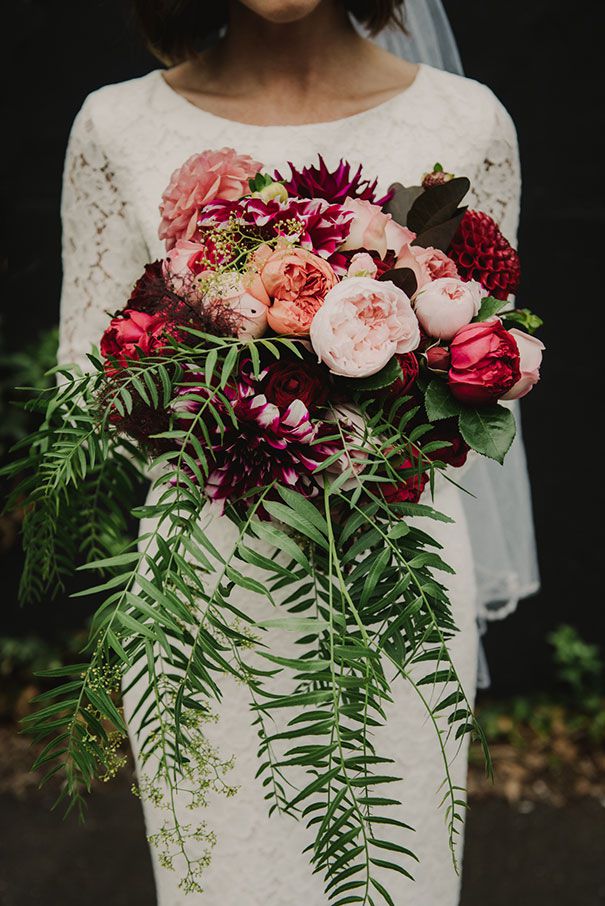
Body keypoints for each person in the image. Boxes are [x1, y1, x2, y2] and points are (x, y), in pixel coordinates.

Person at [57, 2, 528, 903]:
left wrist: (369, 394)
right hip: (205, 586)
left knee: (394, 871)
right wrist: (230, 395)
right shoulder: (117, 123)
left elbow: (483, 370)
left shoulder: (465, 120)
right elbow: (89, 377)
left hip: (394, 578)